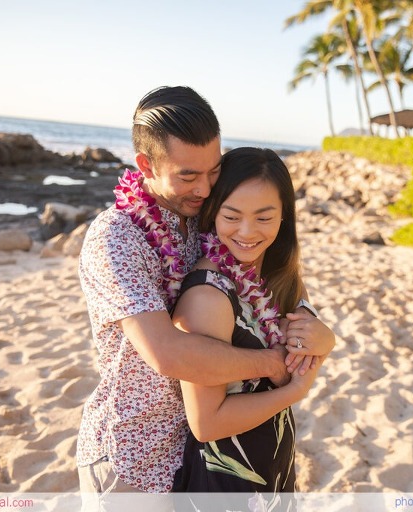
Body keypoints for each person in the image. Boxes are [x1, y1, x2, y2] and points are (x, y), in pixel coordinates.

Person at [76, 86, 335, 504]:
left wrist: (321, 331)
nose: (204, 188)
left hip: (198, 457)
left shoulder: (207, 216)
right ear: (146, 164)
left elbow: (268, 278)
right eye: (188, 175)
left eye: (213, 170)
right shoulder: (116, 238)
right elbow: (167, 354)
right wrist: (272, 363)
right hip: (133, 457)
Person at [170, 147, 324, 509]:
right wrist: (293, 393)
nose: (247, 232)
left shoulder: (276, 276)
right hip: (226, 480)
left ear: (285, 216)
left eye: (264, 218)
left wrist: (326, 338)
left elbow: (307, 329)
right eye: (232, 216)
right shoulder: (208, 297)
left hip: (273, 464)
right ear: (213, 212)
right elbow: (205, 423)